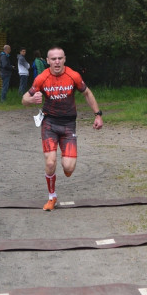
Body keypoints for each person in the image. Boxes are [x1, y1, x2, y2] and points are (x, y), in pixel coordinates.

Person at [22, 46, 103, 211]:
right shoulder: (42, 78)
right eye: (53, 59)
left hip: (68, 125)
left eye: (60, 58)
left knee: (68, 167)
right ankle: (52, 197)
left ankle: (66, 168)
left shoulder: (73, 76)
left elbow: (87, 93)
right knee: (50, 162)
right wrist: (31, 101)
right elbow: (24, 98)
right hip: (49, 124)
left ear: (64, 59)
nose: (57, 62)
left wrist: (98, 114)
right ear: (48, 61)